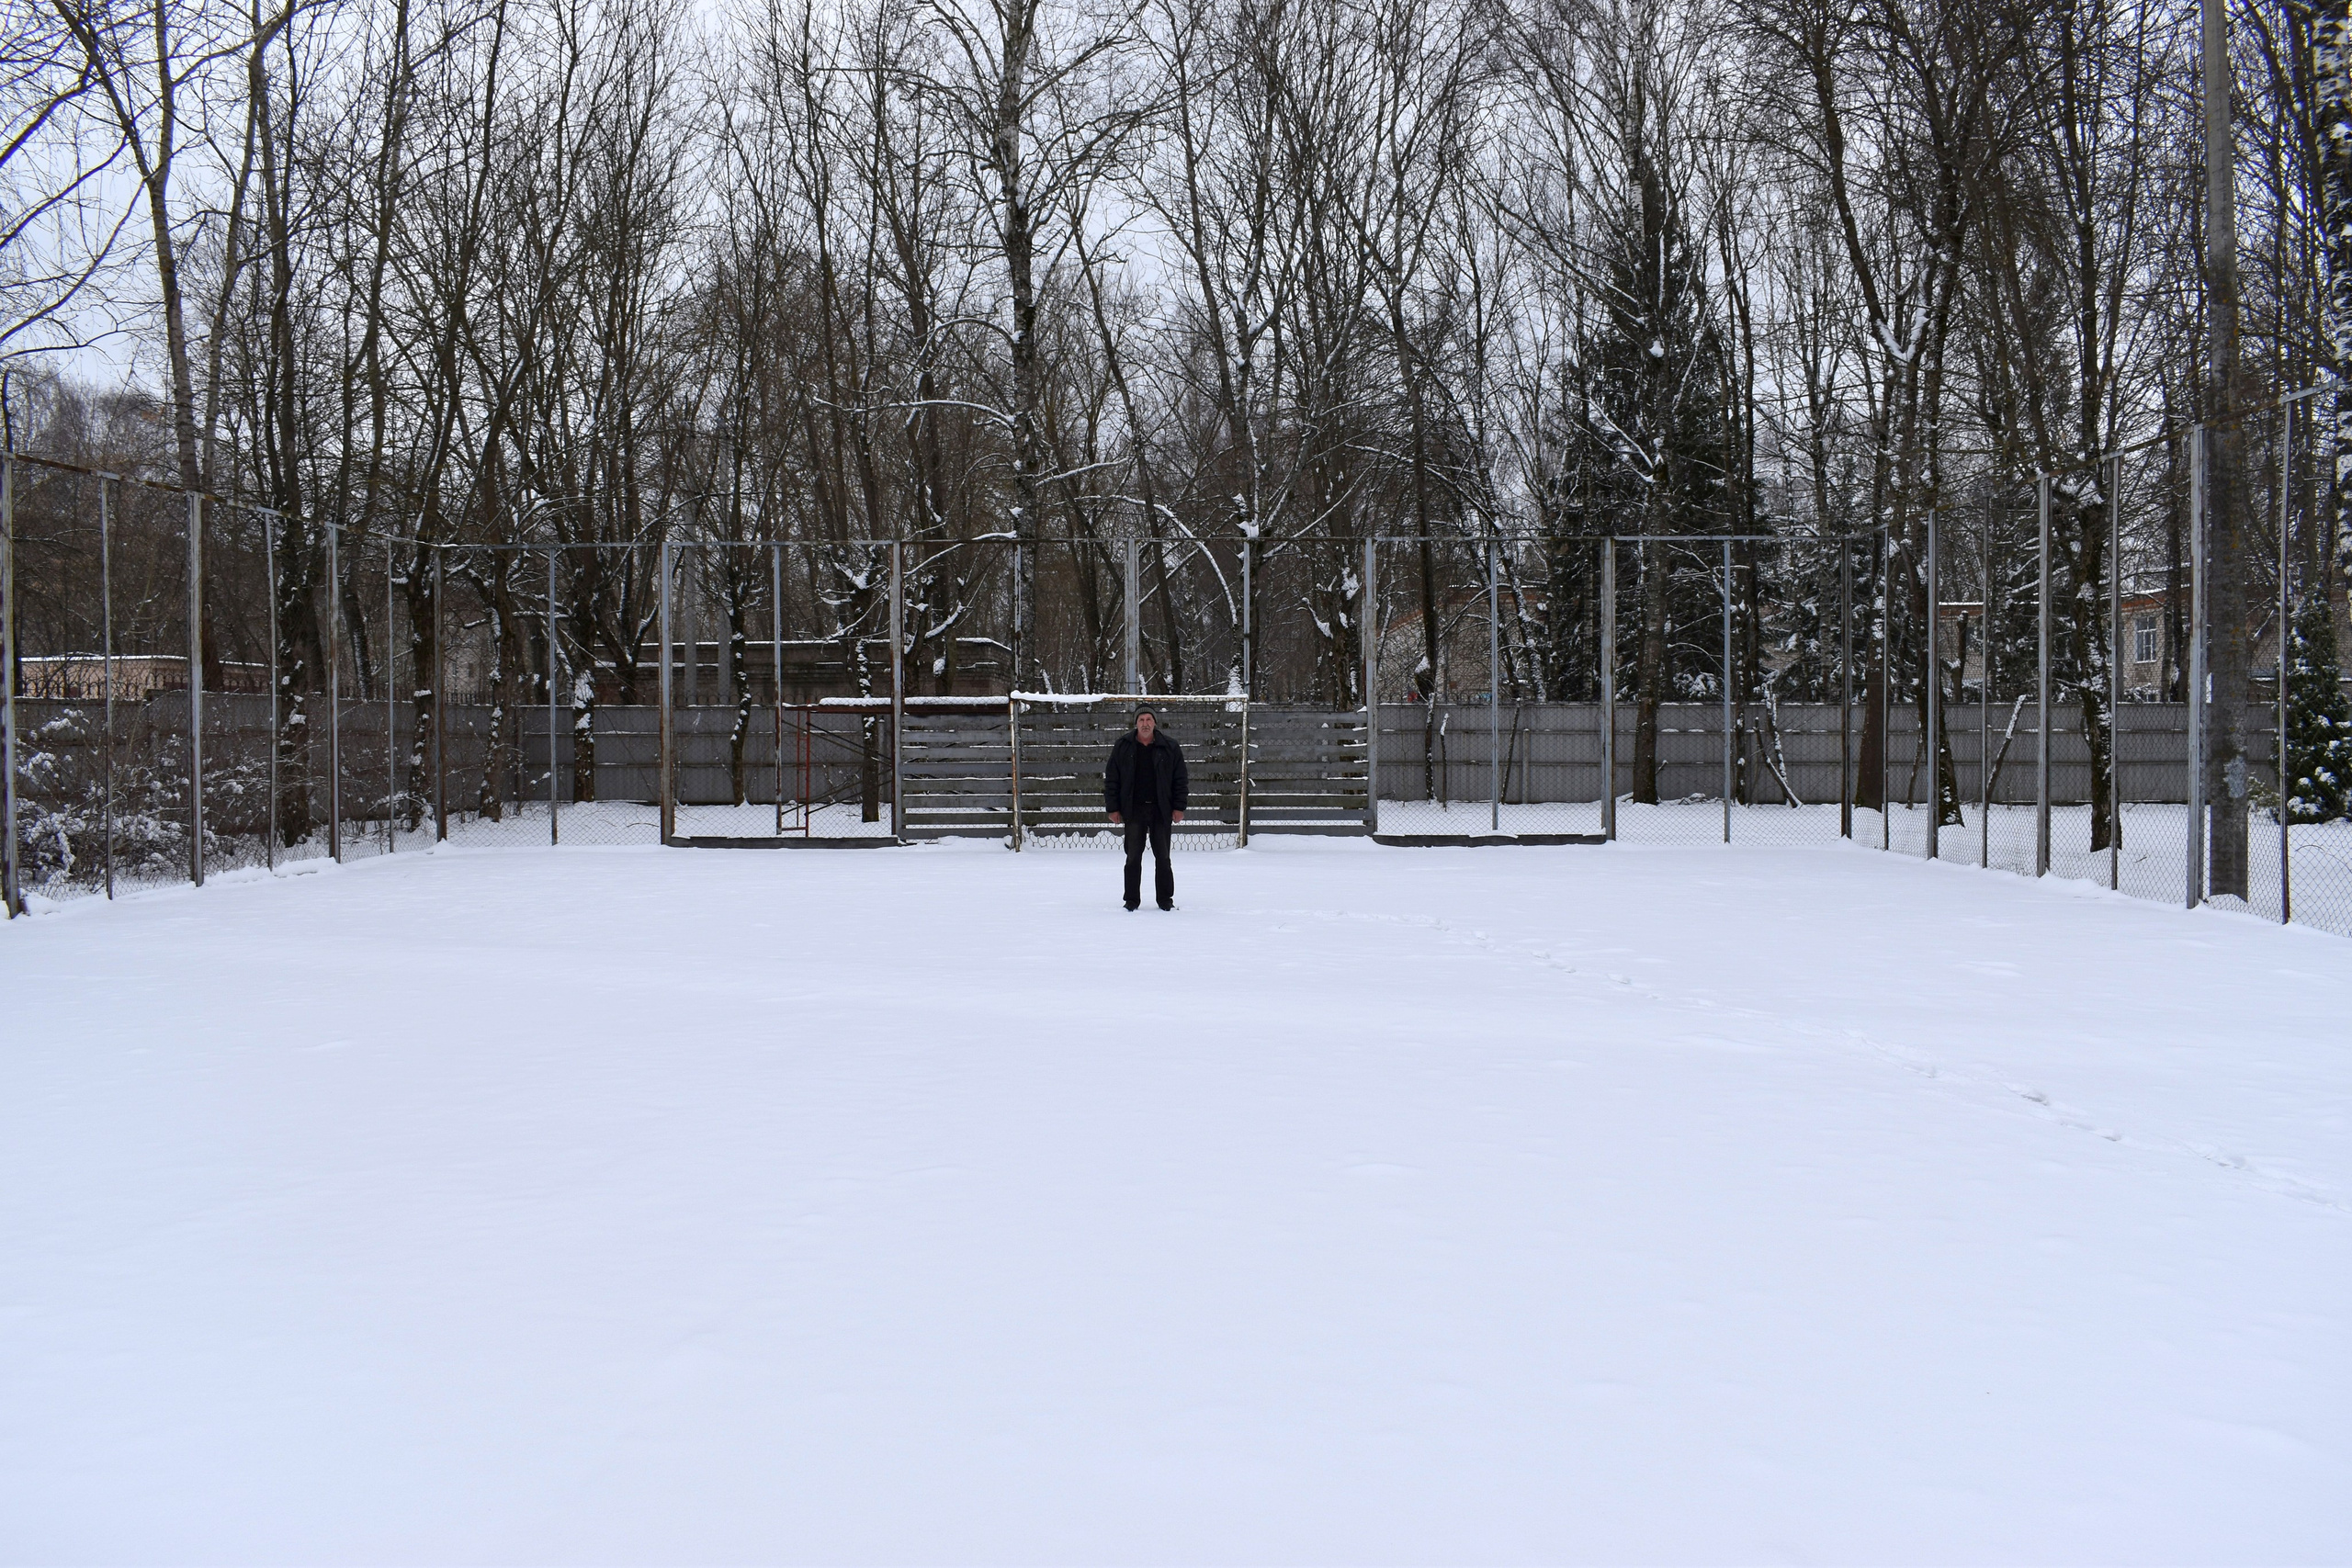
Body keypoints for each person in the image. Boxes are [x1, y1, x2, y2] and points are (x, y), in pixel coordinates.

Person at [1103, 705, 1187, 910]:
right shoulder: (1123, 746)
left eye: (1149, 719)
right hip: (1134, 810)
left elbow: (1180, 779)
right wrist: (1113, 808)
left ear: (1155, 722)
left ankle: (1165, 900)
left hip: (1161, 809)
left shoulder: (1170, 747)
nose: (1145, 723)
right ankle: (1131, 900)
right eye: (1141, 720)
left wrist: (1179, 807)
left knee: (1163, 857)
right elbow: (1112, 779)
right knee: (1133, 857)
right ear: (1136, 723)